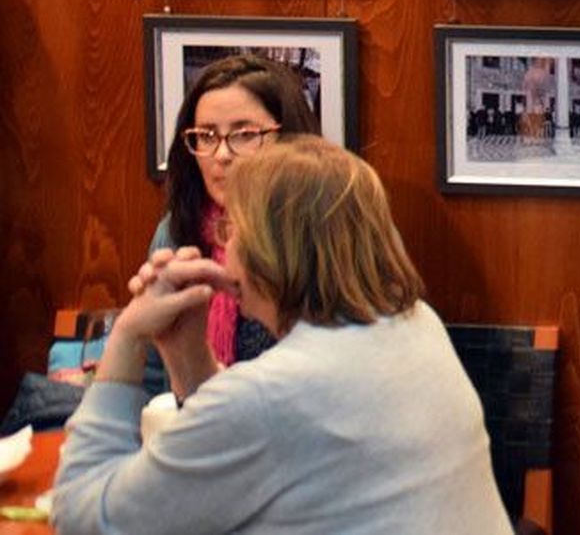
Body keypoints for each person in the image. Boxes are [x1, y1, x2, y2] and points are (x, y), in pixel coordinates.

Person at [53, 136, 513, 535]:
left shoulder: (270, 395)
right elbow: (254, 452)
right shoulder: (415, 325)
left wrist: (129, 334)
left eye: (231, 228)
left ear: (269, 250)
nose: (222, 242)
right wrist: (187, 351)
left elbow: (83, 520)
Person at [148, 54, 319, 381]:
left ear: (289, 141)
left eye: (244, 134)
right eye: (207, 136)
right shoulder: (175, 231)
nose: (222, 155)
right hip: (201, 416)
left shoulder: (325, 227)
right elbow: (153, 374)